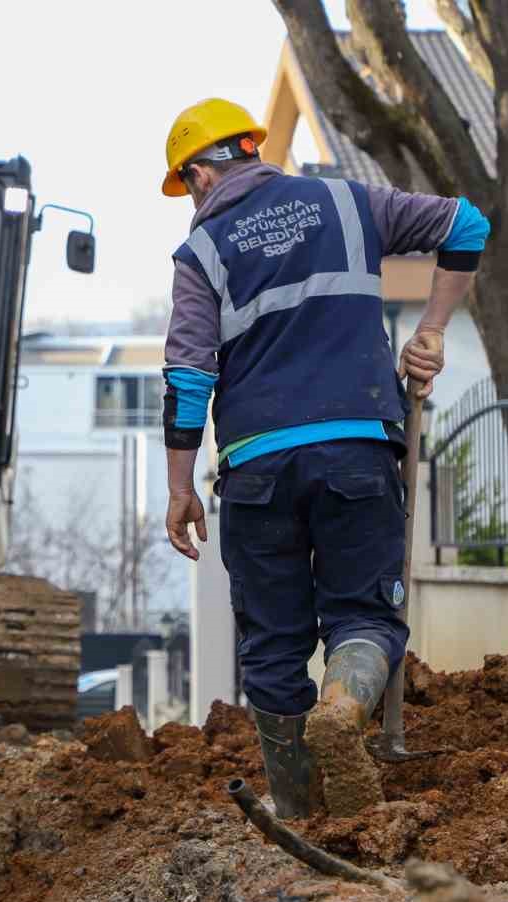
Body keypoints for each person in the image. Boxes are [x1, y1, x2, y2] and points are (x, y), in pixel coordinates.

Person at [157, 98, 490, 819]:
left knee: (273, 647)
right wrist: (430, 331)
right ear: (250, 147)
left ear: (200, 176)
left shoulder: (201, 254)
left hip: (256, 468)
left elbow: (188, 378)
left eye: (185, 187)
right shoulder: (347, 201)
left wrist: (180, 487)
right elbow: (467, 225)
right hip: (356, 451)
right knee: (364, 617)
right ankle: (345, 704)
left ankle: (299, 811)